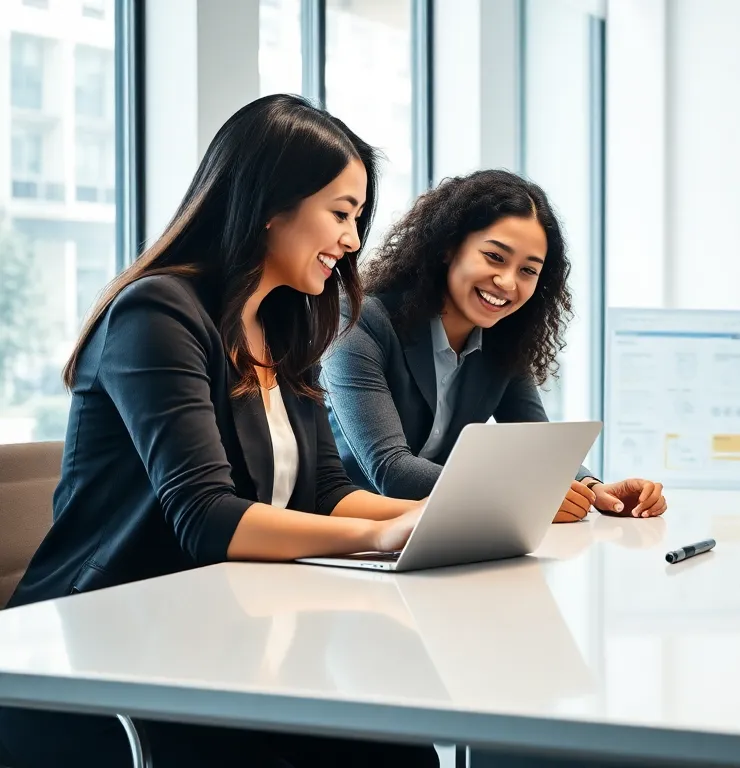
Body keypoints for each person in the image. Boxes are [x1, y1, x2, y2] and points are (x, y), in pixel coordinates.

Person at [0, 94, 436, 767]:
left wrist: (433, 518)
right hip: (110, 655)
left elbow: (325, 490)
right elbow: (206, 517)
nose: (353, 241)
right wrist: (380, 536)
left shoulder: (285, 325)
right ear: (270, 204)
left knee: (395, 754)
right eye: (342, 214)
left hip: (221, 635)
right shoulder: (157, 312)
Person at [321, 169, 667, 523]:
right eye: (495, 257)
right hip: (348, 535)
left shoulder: (503, 340)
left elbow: (539, 445)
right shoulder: (360, 320)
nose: (507, 282)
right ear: (448, 247)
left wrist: (594, 489)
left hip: (442, 532)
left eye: (528, 271)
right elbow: (391, 471)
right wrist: (524, 495)